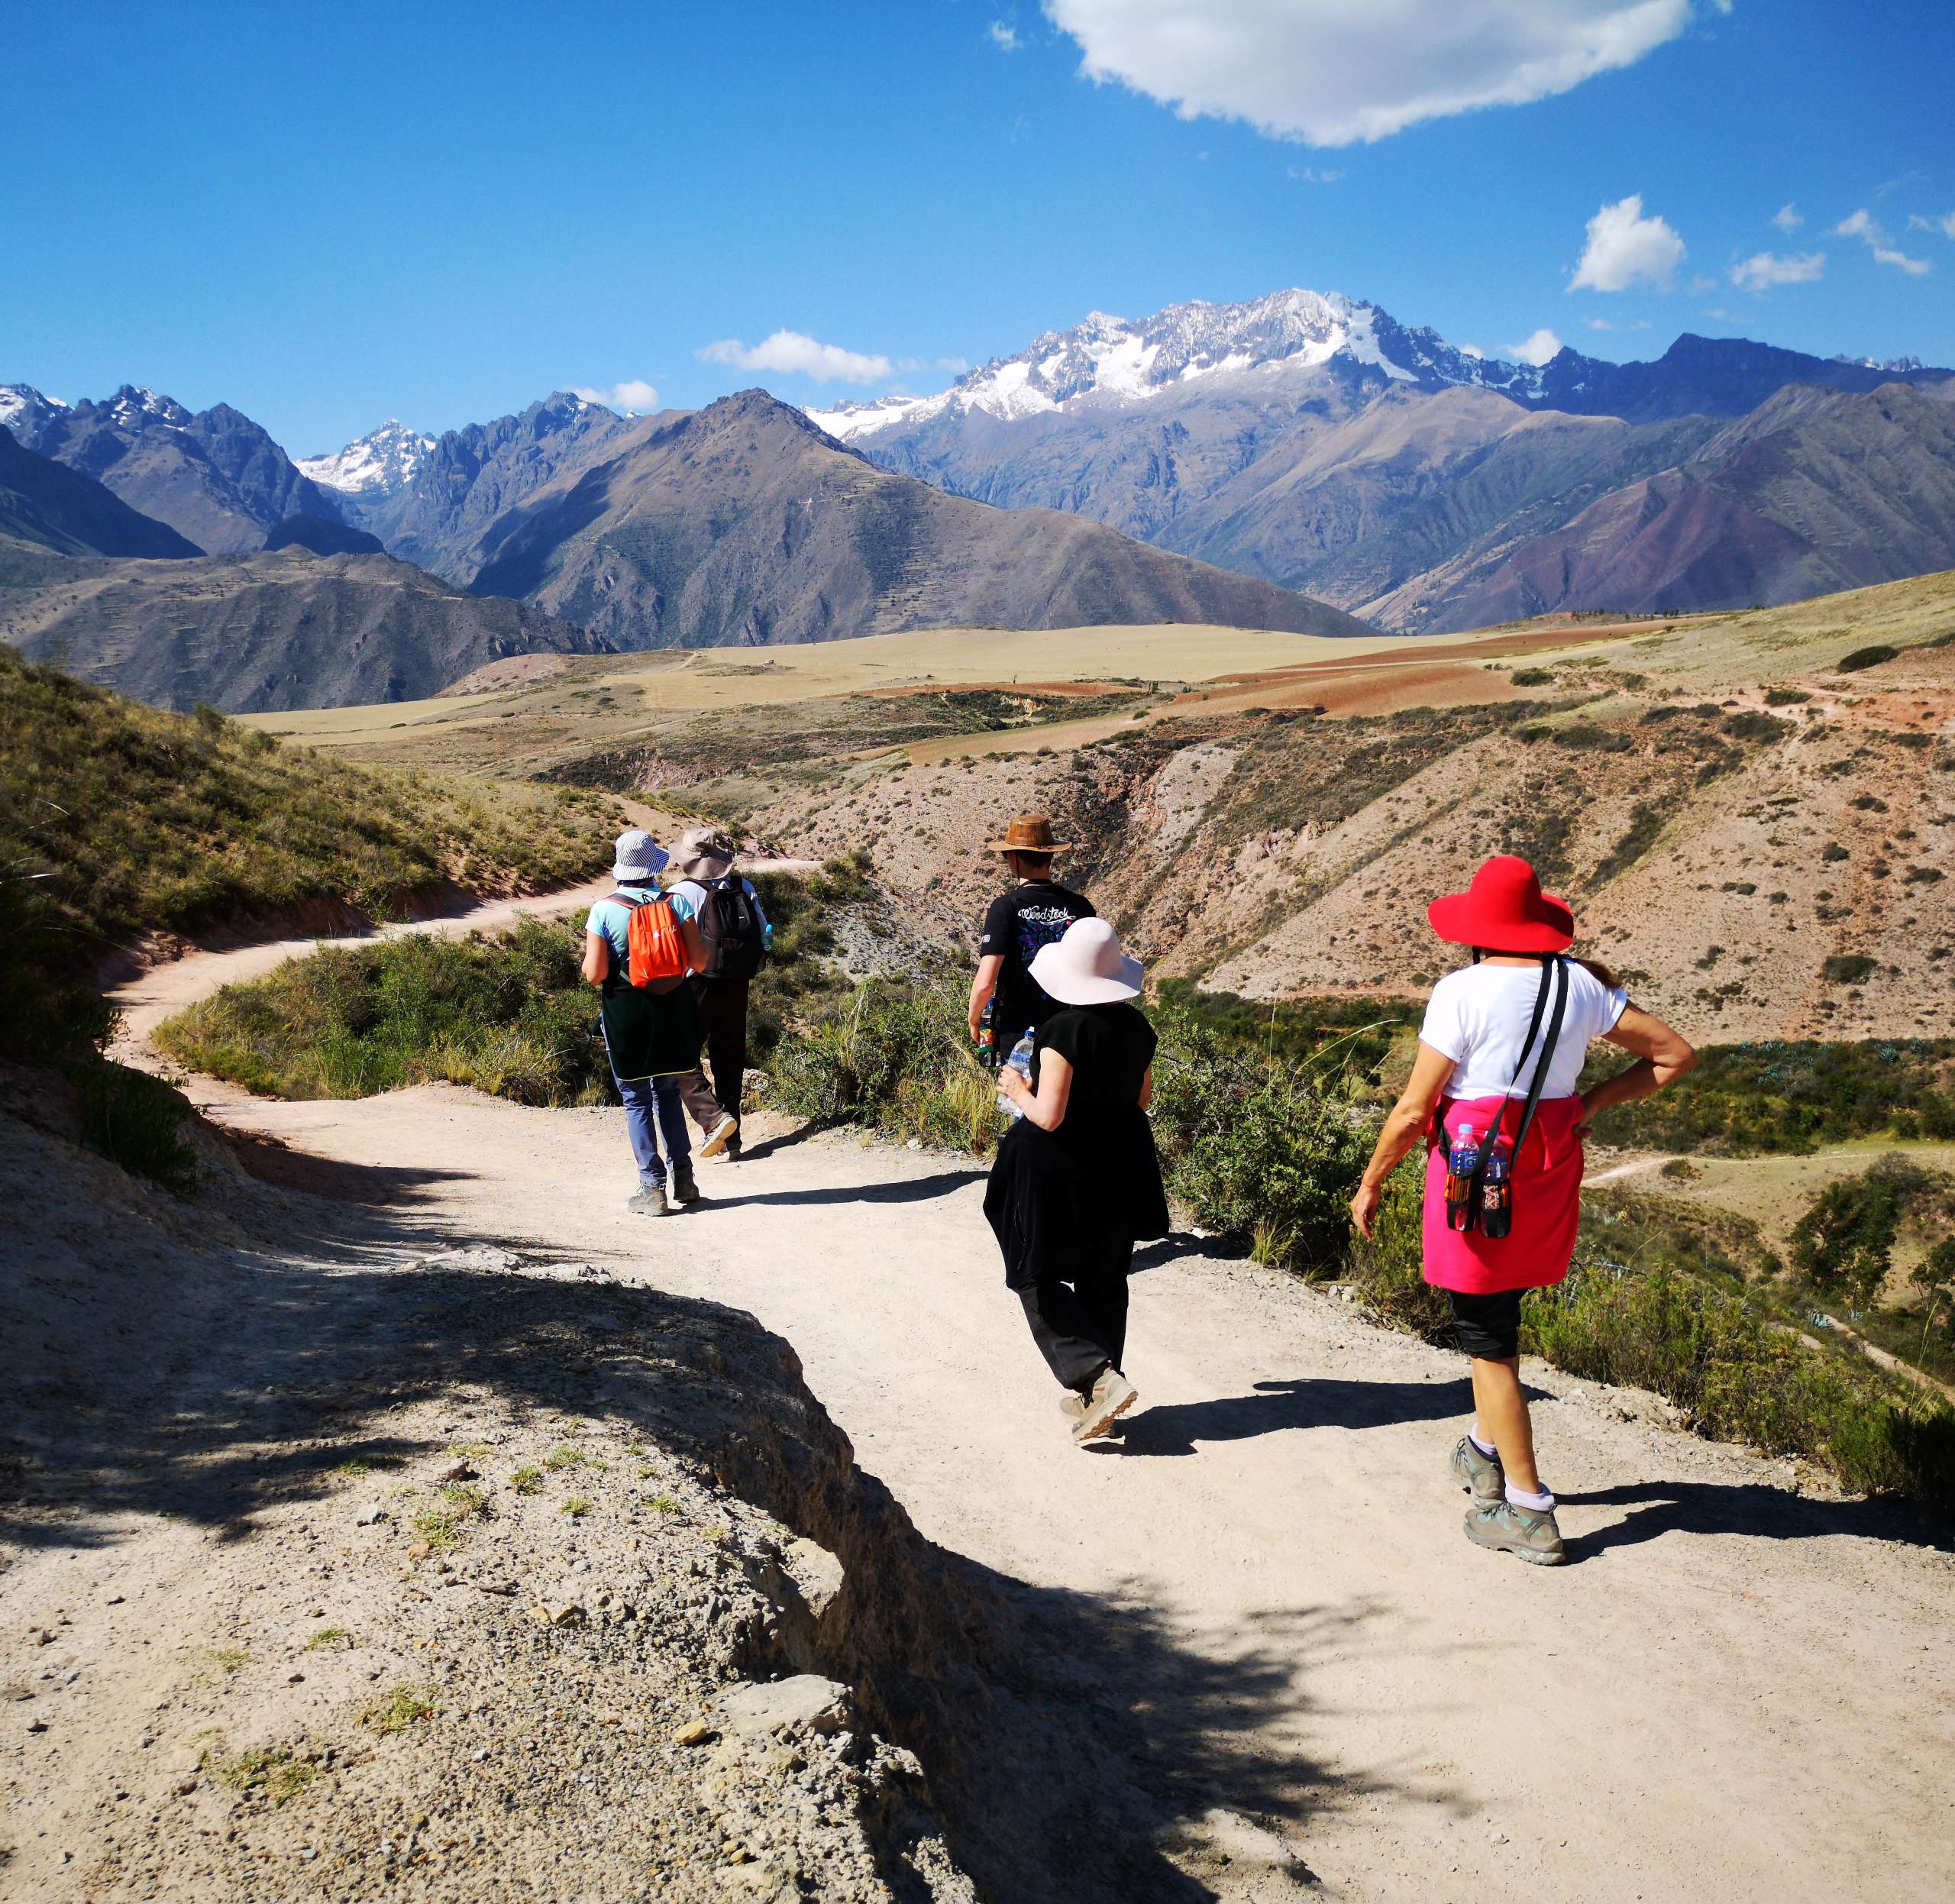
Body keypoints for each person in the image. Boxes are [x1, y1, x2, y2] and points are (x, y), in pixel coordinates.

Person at [1349, 855, 1696, 1565]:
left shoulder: (1462, 991)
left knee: (1487, 1335)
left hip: (1476, 1171)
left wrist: (1372, 1178)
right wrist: (1592, 1101)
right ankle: (1482, 1451)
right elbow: (1673, 1054)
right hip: (1547, 1161)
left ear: (1477, 929)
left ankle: (1531, 1509)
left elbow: (1416, 1107)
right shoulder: (1585, 986)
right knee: (1501, 1308)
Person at [984, 916, 1170, 1444]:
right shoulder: (1140, 1030)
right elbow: (1140, 1101)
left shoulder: (1061, 1030)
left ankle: (1095, 1376)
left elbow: (1048, 1115)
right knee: (1104, 1275)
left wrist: (1017, 1087)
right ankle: (1099, 1389)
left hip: (1059, 1168)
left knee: (1033, 1272)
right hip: (1122, 1162)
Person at [582, 829, 711, 1217]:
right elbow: (700, 961)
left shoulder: (604, 910)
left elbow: (594, 973)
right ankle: (684, 1179)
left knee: (636, 1099)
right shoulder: (676, 903)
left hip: (627, 1015)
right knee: (668, 1092)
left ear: (621, 867)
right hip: (673, 1011)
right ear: (653, 867)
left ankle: (651, 1188)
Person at [668, 827, 771, 1163]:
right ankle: (734, 1141)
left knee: (679, 1054)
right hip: (737, 982)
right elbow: (763, 932)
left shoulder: (681, 893)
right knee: (729, 1059)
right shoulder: (744, 887)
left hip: (696, 983)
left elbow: (673, 945)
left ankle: (713, 1117)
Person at [969, 814, 1096, 1061]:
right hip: (1071, 1036)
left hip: (1019, 1040)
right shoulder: (1081, 907)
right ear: (1050, 856)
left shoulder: (1005, 908)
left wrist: (974, 1019)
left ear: (1014, 859)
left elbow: (986, 982)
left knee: (1018, 1099)